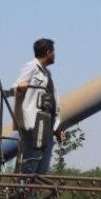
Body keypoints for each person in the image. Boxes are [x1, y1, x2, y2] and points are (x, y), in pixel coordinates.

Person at [14, 38, 62, 175]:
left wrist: (57, 126)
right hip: (34, 124)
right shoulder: (31, 67)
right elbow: (15, 87)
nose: (55, 55)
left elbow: (52, 101)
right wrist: (20, 88)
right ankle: (23, 193)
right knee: (31, 163)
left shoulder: (47, 73)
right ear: (48, 52)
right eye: (53, 52)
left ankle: (31, 194)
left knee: (42, 168)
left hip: (46, 124)